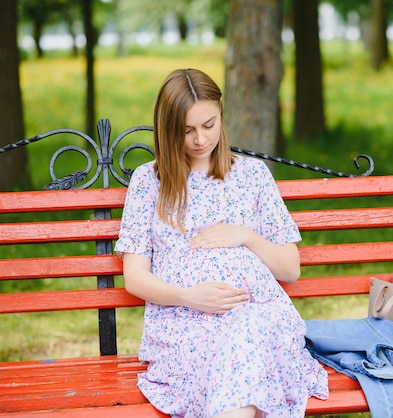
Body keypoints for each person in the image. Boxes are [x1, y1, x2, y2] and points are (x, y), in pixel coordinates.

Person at [115, 68, 328, 418]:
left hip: (258, 315)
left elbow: (290, 269)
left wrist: (244, 235)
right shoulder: (149, 182)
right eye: (187, 130)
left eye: (209, 125)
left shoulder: (253, 174)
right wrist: (189, 297)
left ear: (221, 113)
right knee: (239, 370)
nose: (200, 139)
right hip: (185, 327)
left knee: (249, 333)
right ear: (168, 129)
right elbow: (135, 277)